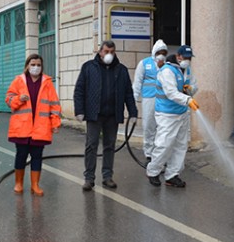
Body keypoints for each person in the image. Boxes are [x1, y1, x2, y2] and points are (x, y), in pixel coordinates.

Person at [74, 40, 138, 191]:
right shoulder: (89, 67)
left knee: (109, 146)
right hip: (94, 114)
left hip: (112, 114)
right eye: (106, 51)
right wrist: (79, 110)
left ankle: (107, 176)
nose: (108, 55)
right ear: (100, 51)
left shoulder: (121, 70)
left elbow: (128, 92)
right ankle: (89, 178)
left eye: (111, 52)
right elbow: (79, 90)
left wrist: (133, 112)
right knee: (91, 145)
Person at [5, 54, 61, 196]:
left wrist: (55, 123)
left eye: (38, 65)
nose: (35, 67)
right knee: (21, 155)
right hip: (22, 127)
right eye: (33, 64)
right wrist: (18, 99)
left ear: (42, 67)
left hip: (40, 128)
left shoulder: (47, 83)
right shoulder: (19, 81)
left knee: (37, 156)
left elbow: (54, 105)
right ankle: (19, 183)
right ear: (27, 66)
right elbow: (9, 99)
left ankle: (35, 185)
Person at [146, 45, 199, 188]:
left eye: (189, 58)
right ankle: (153, 171)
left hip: (182, 113)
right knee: (164, 144)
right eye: (185, 58)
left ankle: (172, 175)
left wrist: (191, 89)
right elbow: (170, 92)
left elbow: (194, 85)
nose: (187, 61)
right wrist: (188, 100)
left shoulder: (187, 70)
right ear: (178, 56)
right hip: (167, 113)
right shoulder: (167, 71)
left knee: (181, 145)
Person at [133, 39, 168, 163]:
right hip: (149, 99)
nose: (161, 54)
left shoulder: (166, 65)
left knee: (162, 127)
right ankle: (149, 153)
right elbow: (137, 82)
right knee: (148, 125)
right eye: (159, 52)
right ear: (154, 52)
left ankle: (159, 153)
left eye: (164, 52)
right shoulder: (144, 63)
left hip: (164, 100)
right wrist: (134, 100)